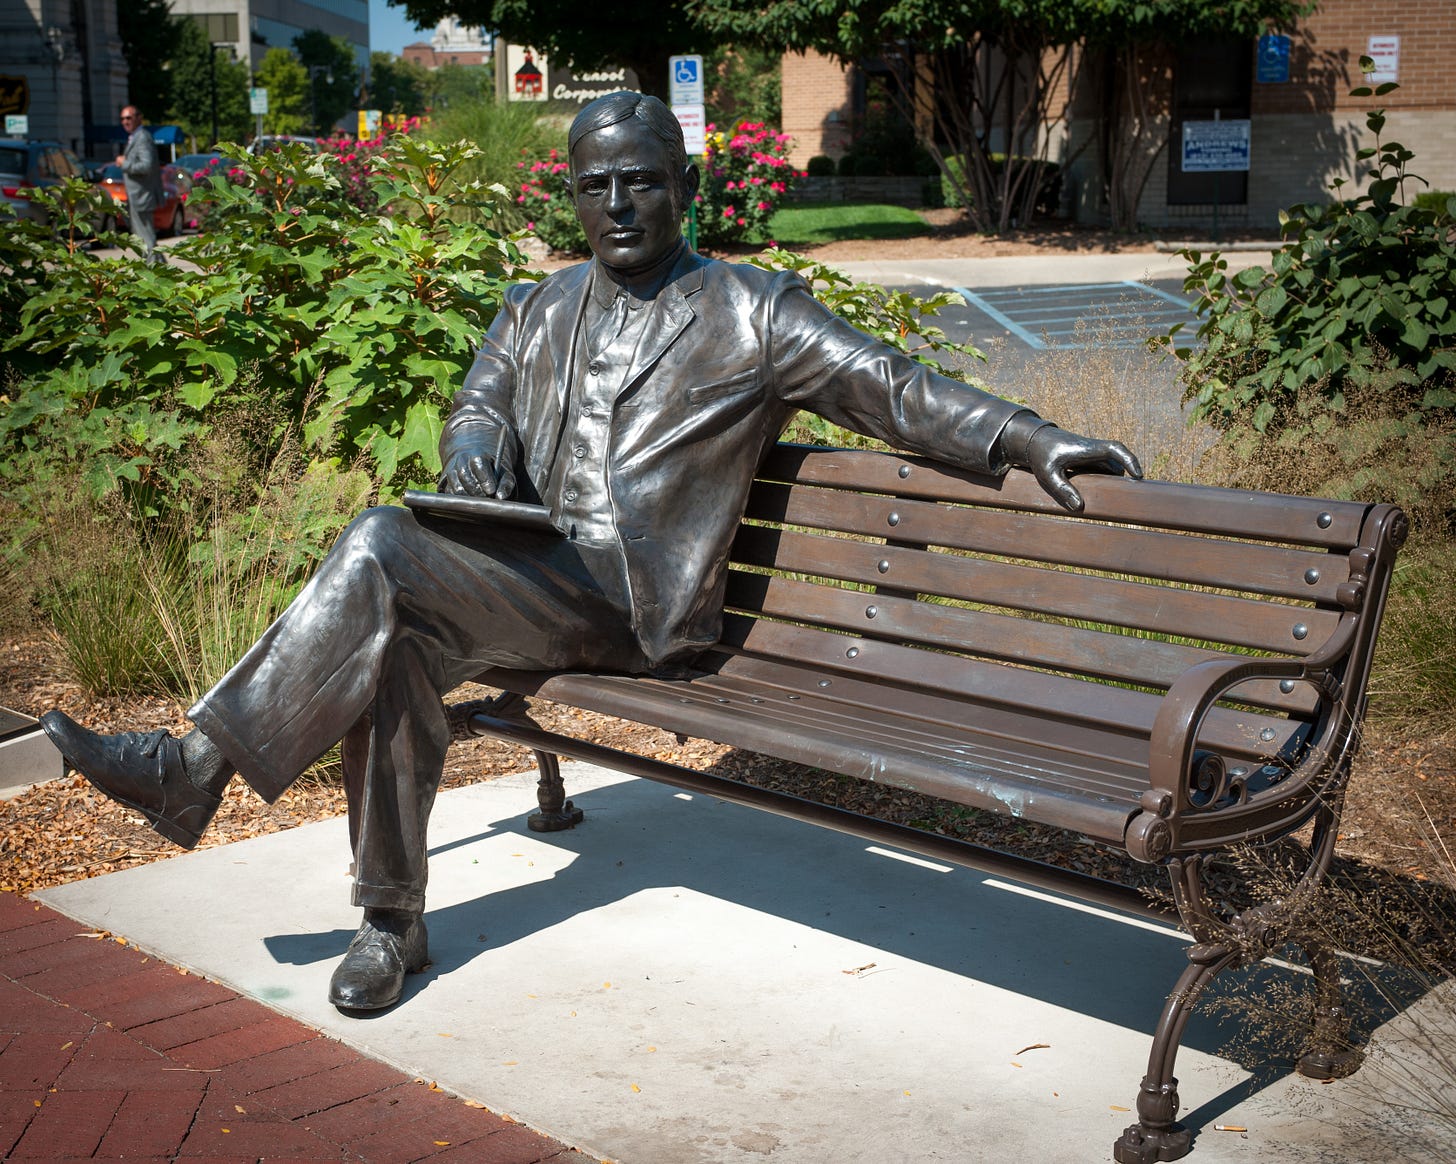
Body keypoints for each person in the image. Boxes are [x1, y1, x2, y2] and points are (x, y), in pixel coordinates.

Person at [43, 92, 1142, 1013]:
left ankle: (196, 769)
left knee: (382, 547)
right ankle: (391, 921)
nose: (618, 203)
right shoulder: (536, 307)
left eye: (642, 180)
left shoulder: (754, 314)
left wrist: (1032, 440)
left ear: (685, 185)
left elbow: (894, 390)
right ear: (570, 196)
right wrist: (475, 452)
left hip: (632, 605)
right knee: (395, 639)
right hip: (529, 572)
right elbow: (478, 409)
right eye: (594, 185)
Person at [117, 105, 163, 262]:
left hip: (142, 196)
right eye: (122, 118)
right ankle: (158, 269)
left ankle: (155, 272)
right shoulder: (136, 137)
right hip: (138, 196)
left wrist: (125, 163)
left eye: (128, 118)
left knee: (145, 239)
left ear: (139, 118)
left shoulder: (142, 137)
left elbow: (146, 166)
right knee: (144, 238)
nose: (125, 122)